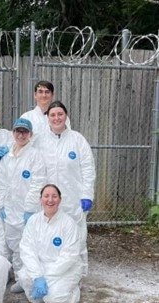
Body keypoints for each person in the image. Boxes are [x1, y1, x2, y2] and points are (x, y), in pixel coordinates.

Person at [36, 100, 96, 276]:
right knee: (48, 238)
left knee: (77, 237)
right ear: (47, 118)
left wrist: (87, 195)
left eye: (60, 114)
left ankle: (78, 275)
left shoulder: (78, 140)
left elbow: (88, 168)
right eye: (52, 115)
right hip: (48, 201)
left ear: (66, 116)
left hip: (72, 200)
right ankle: (49, 275)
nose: (56, 118)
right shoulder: (40, 140)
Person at [0, 118, 46, 293]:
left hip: (25, 210)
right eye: (18, 131)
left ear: (30, 135)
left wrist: (30, 209)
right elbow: (0, 181)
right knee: (9, 244)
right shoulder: (8, 155)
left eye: (24, 132)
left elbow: (38, 183)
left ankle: (24, 278)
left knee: (25, 246)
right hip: (9, 209)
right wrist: (0, 204)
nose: (21, 135)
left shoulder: (35, 155)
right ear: (13, 133)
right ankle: (12, 276)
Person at [18, 184, 83, 303]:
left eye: (54, 196)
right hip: (41, 266)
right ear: (40, 199)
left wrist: (44, 277)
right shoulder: (33, 221)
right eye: (46, 196)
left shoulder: (68, 223)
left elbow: (69, 257)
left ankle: (73, 295)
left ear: (60, 199)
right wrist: (37, 276)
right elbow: (27, 250)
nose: (50, 200)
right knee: (24, 277)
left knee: (55, 297)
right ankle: (40, 301)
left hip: (64, 269)